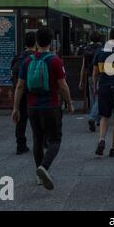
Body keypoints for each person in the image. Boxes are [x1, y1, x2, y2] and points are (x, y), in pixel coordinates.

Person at [12, 28, 74, 191]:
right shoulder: (55, 61)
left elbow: (19, 86)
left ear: (37, 42)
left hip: (32, 106)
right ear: (51, 42)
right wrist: (69, 102)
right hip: (50, 106)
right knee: (54, 140)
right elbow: (63, 86)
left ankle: (39, 174)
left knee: (37, 140)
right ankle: (44, 167)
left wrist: (16, 108)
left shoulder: (27, 61)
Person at [92, 28, 114, 157]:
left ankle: (101, 139)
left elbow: (95, 73)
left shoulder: (100, 52)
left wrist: (95, 86)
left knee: (104, 116)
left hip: (104, 86)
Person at [10, 32, 36, 154]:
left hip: (19, 92)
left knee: (21, 119)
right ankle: (43, 141)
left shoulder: (17, 57)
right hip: (33, 92)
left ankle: (20, 144)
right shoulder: (37, 57)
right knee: (37, 118)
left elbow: (13, 76)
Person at [79, 31, 103, 132]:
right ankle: (93, 118)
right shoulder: (102, 50)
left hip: (89, 76)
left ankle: (97, 119)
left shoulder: (86, 49)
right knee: (100, 97)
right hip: (100, 75)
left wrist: (81, 80)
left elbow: (83, 66)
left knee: (94, 97)